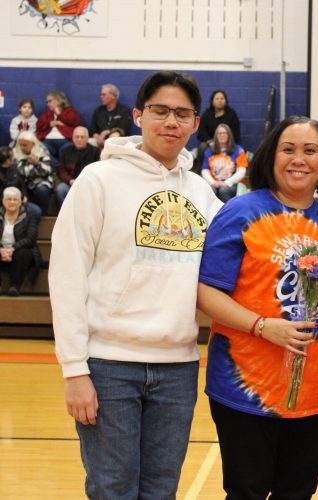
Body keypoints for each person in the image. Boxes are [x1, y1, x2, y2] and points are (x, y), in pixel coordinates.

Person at [49, 70, 223, 499]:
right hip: (108, 367)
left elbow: (252, 232)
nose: (171, 122)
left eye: (182, 114)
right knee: (113, 490)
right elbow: (67, 275)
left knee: (161, 491)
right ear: (138, 115)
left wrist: (315, 205)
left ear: (196, 123)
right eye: (160, 111)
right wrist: (74, 370)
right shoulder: (98, 180)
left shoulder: (202, 194)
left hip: (178, 367)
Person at [197, 116, 318, 499]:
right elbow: (206, 294)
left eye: (310, 150)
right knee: (246, 493)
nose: (299, 159)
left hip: (315, 391)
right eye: (288, 149)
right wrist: (263, 325)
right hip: (246, 390)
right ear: (270, 156)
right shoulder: (241, 212)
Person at [0, 186, 41, 296]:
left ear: (20, 201)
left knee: (24, 252)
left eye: (15, 199)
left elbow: (31, 239)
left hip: (19, 252)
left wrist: (12, 248)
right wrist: (1, 250)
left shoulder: (29, 216)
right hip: (2, 252)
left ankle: (15, 287)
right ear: (3, 201)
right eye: (9, 199)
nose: (12, 202)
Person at [194, 89, 241, 173]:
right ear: (212, 101)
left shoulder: (231, 114)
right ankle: (199, 172)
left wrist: (225, 142)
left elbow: (236, 133)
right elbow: (201, 131)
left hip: (227, 143)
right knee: (202, 147)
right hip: (211, 143)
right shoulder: (207, 114)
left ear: (225, 100)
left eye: (222, 98)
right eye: (217, 98)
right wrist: (210, 142)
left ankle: (230, 174)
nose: (220, 101)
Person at [55, 126, 101, 210]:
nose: (79, 139)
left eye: (82, 137)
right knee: (61, 189)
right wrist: (70, 180)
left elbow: (97, 171)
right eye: (77, 137)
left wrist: (82, 182)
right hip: (69, 182)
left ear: (87, 138)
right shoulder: (65, 151)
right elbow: (60, 170)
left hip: (87, 183)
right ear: (72, 138)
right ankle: (64, 215)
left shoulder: (96, 152)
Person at [200, 123, 248, 202]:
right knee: (210, 190)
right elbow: (205, 170)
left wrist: (227, 183)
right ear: (216, 136)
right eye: (219, 133)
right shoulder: (209, 151)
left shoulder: (239, 151)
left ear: (229, 135)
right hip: (214, 182)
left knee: (224, 191)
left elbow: (241, 171)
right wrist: (213, 182)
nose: (222, 135)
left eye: (225, 133)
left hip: (231, 183)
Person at [35, 90, 81, 167]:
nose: (48, 104)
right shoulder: (46, 114)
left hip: (65, 140)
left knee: (69, 149)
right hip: (48, 140)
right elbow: (39, 126)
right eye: (47, 102)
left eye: (50, 101)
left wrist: (59, 115)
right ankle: (57, 166)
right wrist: (49, 124)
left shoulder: (70, 111)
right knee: (40, 148)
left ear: (58, 101)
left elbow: (76, 124)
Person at [13, 131, 53, 215]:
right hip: (22, 183)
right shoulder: (15, 154)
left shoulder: (42, 152)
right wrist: (34, 169)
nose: (22, 147)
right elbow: (20, 172)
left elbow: (46, 172)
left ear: (33, 144)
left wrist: (37, 164)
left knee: (42, 190)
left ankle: (44, 216)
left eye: (25, 145)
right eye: (21, 145)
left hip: (40, 182)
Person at [0, 147, 41, 219]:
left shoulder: (16, 168)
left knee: (36, 211)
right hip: (3, 202)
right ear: (7, 161)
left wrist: (24, 195)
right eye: (12, 156)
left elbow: (22, 184)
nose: (15, 158)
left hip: (19, 200)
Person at [89, 84, 132, 148]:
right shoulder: (98, 110)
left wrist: (108, 131)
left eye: (104, 94)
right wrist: (97, 137)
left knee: (115, 136)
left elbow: (124, 128)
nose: (101, 97)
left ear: (113, 96)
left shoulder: (124, 110)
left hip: (117, 140)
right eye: (101, 95)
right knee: (89, 141)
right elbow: (92, 128)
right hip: (100, 139)